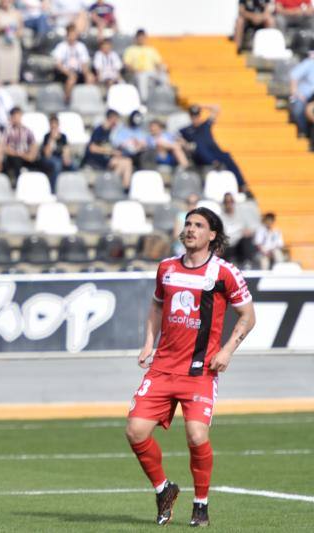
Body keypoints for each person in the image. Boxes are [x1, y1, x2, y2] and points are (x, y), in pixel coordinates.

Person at [127, 206, 256, 527]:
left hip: (199, 371)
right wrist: (148, 342)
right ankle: (163, 489)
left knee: (197, 436)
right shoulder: (167, 268)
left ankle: (201, 504)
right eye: (187, 224)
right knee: (135, 431)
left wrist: (227, 351)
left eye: (198, 225)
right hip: (163, 368)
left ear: (212, 235)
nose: (190, 229)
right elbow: (156, 306)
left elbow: (248, 316)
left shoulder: (224, 272)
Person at [180, 104, 246, 191]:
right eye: (193, 116)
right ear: (190, 117)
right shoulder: (186, 130)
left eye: (197, 116)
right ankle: (214, 163)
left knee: (227, 156)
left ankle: (241, 184)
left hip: (214, 152)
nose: (195, 118)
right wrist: (186, 145)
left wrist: (201, 106)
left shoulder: (205, 125)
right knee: (199, 146)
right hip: (200, 156)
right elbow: (178, 139)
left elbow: (216, 108)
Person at [82, 109, 133, 188]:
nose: (116, 122)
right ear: (110, 118)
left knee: (127, 162)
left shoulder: (114, 132)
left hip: (109, 159)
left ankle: (124, 187)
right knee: (123, 163)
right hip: (97, 160)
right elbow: (92, 148)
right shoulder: (99, 130)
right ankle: (115, 186)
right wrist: (111, 152)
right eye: (115, 119)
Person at [51, 24, 95, 103]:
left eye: (74, 34)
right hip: (64, 73)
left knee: (90, 77)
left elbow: (84, 63)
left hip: (78, 71)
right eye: (71, 35)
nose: (72, 37)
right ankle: (67, 99)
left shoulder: (81, 46)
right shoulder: (61, 47)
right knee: (71, 78)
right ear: (67, 35)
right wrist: (68, 73)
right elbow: (58, 64)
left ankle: (87, 100)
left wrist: (87, 74)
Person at [123, 29, 167, 100]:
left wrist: (159, 70)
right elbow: (127, 64)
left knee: (163, 74)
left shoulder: (151, 49)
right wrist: (135, 71)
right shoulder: (130, 50)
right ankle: (144, 100)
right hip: (138, 72)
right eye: (139, 38)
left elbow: (158, 63)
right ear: (136, 38)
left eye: (143, 38)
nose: (141, 39)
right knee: (142, 77)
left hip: (151, 72)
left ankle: (165, 97)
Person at [0, 0, 23, 85]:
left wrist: (14, 32)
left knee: (13, 76)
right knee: (0, 75)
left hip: (13, 45)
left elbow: (21, 31)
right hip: (0, 46)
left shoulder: (17, 13)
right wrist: (2, 29)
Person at [1, 106, 40, 179]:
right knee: (15, 161)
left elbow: (33, 144)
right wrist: (17, 153)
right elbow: (4, 147)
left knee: (39, 162)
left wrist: (30, 155)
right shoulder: (8, 130)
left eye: (18, 115)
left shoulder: (27, 130)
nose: (17, 118)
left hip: (25, 156)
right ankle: (17, 183)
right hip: (13, 157)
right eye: (14, 116)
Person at [220, 192, 257, 266]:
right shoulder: (220, 218)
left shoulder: (242, 215)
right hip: (228, 246)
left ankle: (247, 263)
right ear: (224, 203)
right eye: (226, 202)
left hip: (240, 244)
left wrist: (248, 231)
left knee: (247, 241)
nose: (229, 204)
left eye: (231, 201)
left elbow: (253, 228)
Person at [41, 114, 73, 187]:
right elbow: (47, 154)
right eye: (52, 125)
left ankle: (71, 186)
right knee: (57, 165)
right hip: (49, 159)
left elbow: (66, 150)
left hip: (60, 157)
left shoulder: (63, 137)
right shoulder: (47, 137)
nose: (54, 127)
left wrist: (66, 158)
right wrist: (52, 139)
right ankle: (54, 188)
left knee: (73, 165)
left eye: (55, 125)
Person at [289, 50, 314, 137]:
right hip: (304, 96)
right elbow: (294, 75)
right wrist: (296, 92)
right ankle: (304, 132)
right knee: (298, 109)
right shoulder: (310, 63)